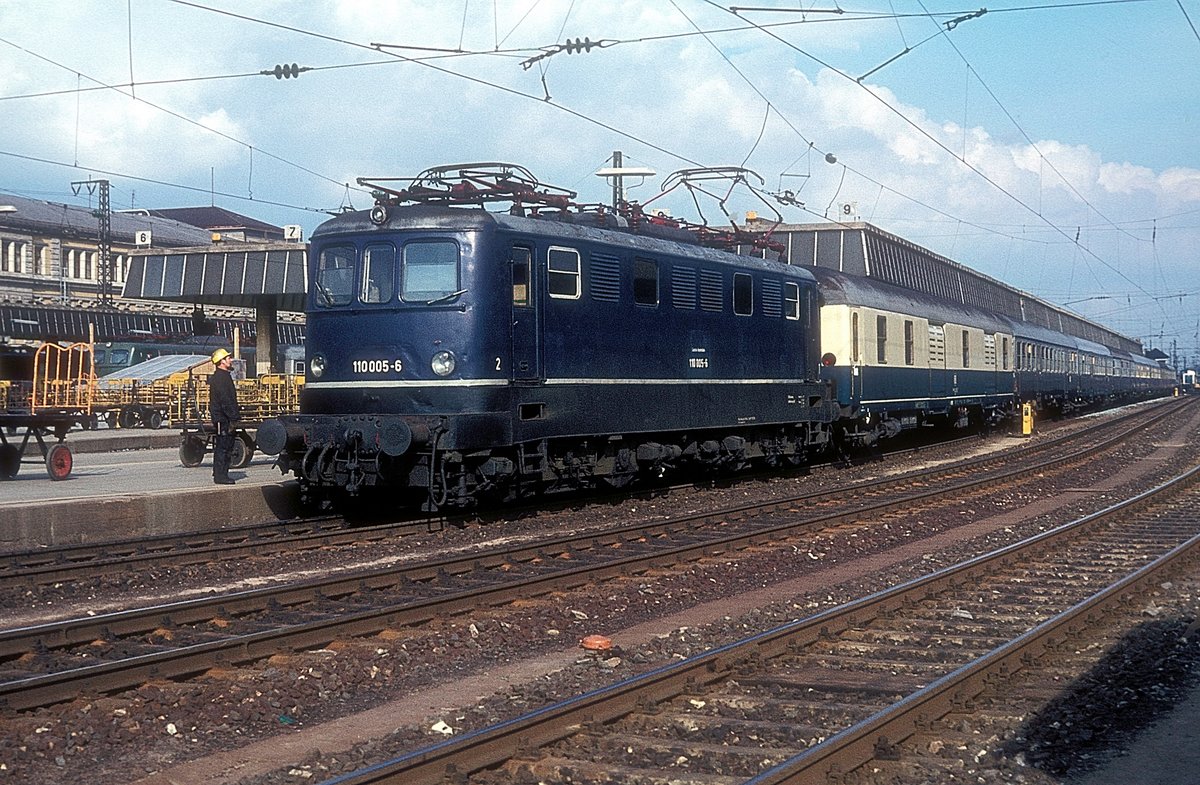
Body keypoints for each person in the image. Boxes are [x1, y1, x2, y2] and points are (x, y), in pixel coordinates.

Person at [208, 347, 241, 485]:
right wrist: (233, 417)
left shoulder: (223, 376)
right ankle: (221, 476)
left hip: (224, 417)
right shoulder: (221, 378)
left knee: (224, 446)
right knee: (224, 446)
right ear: (221, 362)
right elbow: (225, 400)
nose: (230, 360)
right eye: (227, 358)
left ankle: (219, 472)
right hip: (223, 418)